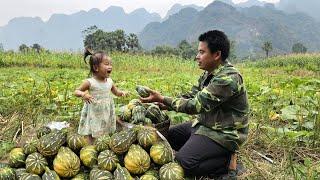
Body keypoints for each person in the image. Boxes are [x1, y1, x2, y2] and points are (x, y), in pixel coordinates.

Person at [141, 30, 249, 179]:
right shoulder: (209, 73)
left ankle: (227, 160)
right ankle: (204, 152)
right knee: (166, 137)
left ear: (217, 55)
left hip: (224, 134)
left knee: (183, 163)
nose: (197, 57)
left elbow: (194, 105)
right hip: (205, 124)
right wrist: (163, 102)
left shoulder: (228, 78)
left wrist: (164, 99)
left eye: (201, 52)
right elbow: (192, 95)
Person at [75, 48, 127, 144]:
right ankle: (90, 147)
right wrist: (83, 94)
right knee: (92, 130)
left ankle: (102, 144)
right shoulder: (90, 82)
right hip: (94, 112)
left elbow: (116, 92)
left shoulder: (110, 81)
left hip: (106, 110)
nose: (110, 66)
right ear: (96, 68)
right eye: (106, 64)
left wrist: (121, 93)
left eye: (110, 64)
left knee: (104, 129)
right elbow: (76, 91)